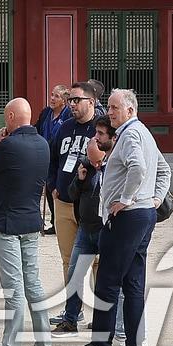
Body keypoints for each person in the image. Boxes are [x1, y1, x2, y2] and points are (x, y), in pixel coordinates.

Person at [69, 88, 171, 346]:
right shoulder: (144, 133)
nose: (110, 112)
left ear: (130, 110)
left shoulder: (130, 135)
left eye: (114, 108)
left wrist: (126, 199)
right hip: (142, 215)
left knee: (108, 280)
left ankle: (101, 345)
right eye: (110, 107)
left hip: (127, 216)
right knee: (133, 281)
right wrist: (154, 198)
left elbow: (138, 168)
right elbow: (164, 170)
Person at [0, 98, 53, 346]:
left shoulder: (8, 145)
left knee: (14, 290)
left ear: (10, 116)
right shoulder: (43, 144)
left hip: (7, 222)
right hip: (31, 220)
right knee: (33, 284)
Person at [48, 81, 105, 328]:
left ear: (91, 102)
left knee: (97, 260)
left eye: (76, 100)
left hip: (90, 205)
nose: (71, 105)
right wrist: (52, 185)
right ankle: (73, 311)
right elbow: (52, 159)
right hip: (63, 202)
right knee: (68, 259)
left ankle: (103, 314)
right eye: (70, 100)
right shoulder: (65, 127)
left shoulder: (101, 130)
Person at [57, 122, 110, 336]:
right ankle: (70, 318)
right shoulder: (85, 166)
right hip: (85, 228)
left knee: (106, 276)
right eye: (91, 160)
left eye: (97, 161)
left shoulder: (113, 168)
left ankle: (104, 321)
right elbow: (71, 194)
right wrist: (79, 180)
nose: (94, 165)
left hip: (106, 229)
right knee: (74, 273)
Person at [35, 86, 69, 234]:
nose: (52, 98)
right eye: (52, 95)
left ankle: (61, 222)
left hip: (59, 157)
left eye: (56, 96)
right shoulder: (46, 113)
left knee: (57, 188)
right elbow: (37, 128)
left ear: (64, 101)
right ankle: (53, 222)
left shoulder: (68, 115)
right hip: (43, 156)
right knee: (48, 189)